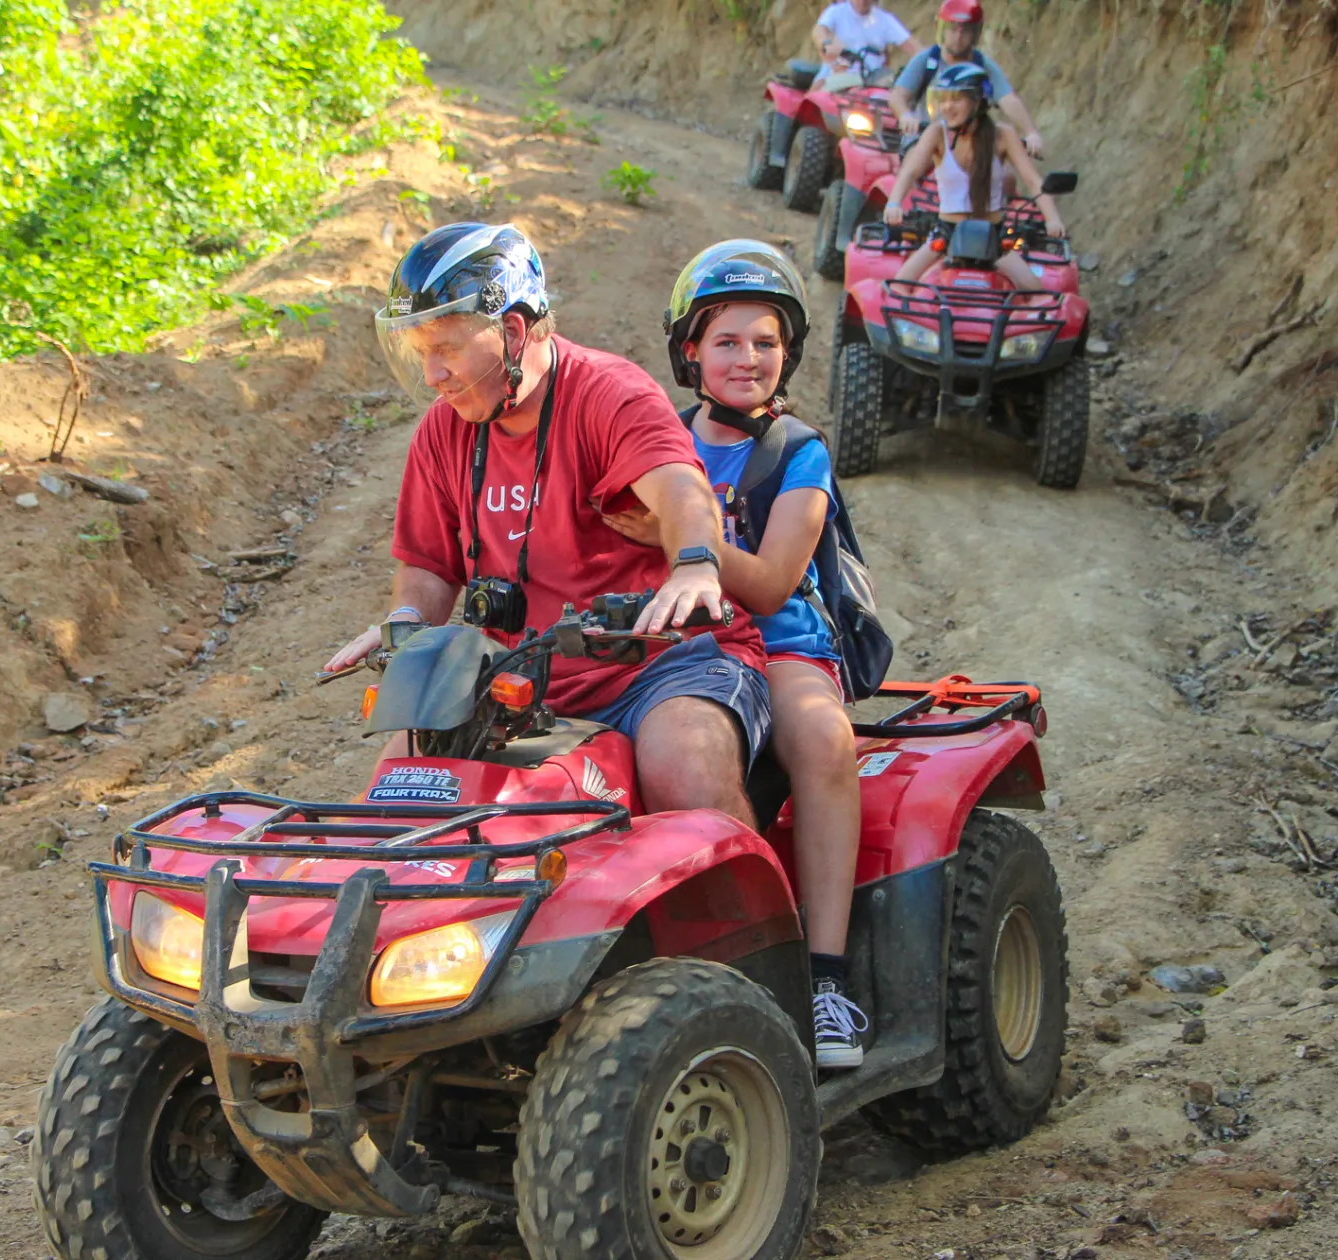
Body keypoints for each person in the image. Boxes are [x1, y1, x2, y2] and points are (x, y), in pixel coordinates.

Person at [326, 222, 773, 825]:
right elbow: (429, 565)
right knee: (399, 789)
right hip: (521, 679)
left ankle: (750, 921)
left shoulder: (611, 395)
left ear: (512, 331)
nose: (433, 375)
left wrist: (694, 563)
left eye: (447, 348)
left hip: (665, 664)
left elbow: (681, 491)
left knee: (684, 768)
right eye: (421, 352)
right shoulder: (445, 428)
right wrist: (405, 621)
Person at [601, 241, 869, 1069]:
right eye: (726, 342)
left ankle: (823, 978)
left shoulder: (798, 452)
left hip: (780, 641)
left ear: (787, 353)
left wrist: (692, 540)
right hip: (676, 643)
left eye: (764, 342)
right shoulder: (660, 437)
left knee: (823, 742)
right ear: (690, 352)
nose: (746, 358)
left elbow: (776, 580)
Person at [883, 62, 1064, 291]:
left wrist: (1052, 219)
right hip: (947, 233)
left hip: (994, 235)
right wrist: (894, 202)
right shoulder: (937, 133)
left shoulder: (1003, 135)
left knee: (1035, 292)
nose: (947, 107)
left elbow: (1032, 180)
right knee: (898, 287)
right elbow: (910, 171)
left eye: (956, 99)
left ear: (978, 101)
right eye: (944, 99)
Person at [888, 0, 1046, 158]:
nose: (958, 37)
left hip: (969, 144)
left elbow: (1008, 99)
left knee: (1006, 178)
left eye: (965, 31)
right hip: (922, 140)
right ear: (941, 29)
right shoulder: (927, 60)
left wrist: (1031, 132)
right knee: (915, 165)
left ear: (975, 33)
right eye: (952, 29)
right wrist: (906, 116)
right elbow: (898, 96)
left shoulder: (982, 65)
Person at [810, 0, 920, 84]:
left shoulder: (885, 19)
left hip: (874, 80)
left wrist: (929, 60)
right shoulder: (836, 11)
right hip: (839, 73)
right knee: (819, 92)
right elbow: (819, 30)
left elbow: (913, 47)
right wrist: (825, 44)